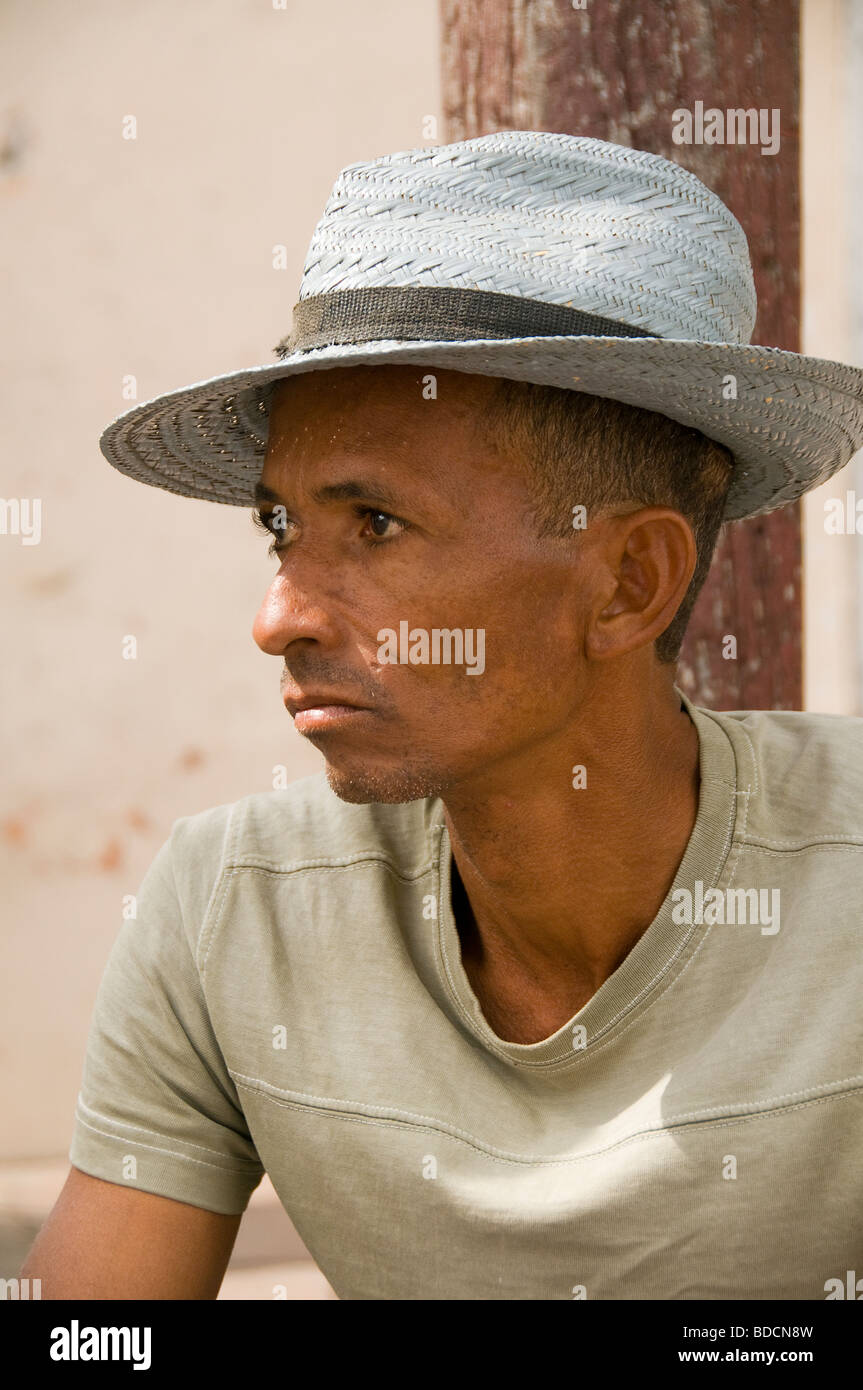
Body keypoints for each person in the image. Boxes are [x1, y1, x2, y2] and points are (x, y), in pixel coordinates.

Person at [23, 131, 863, 1300]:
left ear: (628, 584)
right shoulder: (233, 903)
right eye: (281, 527)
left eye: (373, 523)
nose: (279, 618)